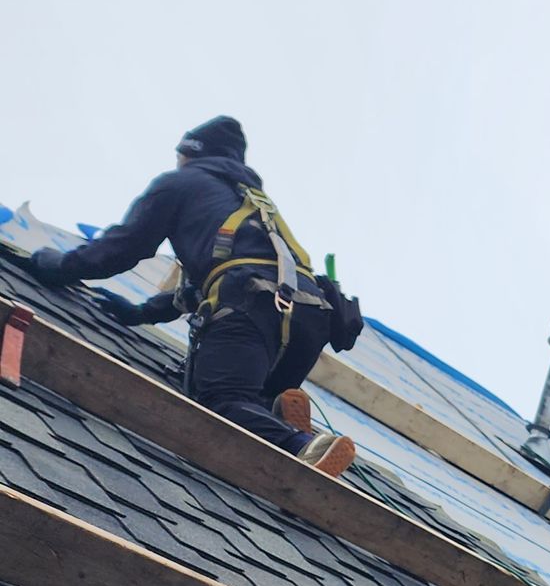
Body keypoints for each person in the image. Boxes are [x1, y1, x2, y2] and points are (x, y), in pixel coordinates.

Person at [25, 117, 356, 474]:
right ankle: (276, 412)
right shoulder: (255, 205)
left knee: (220, 400)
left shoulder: (181, 183)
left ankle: (301, 444)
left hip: (252, 308)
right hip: (307, 320)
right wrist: (142, 312)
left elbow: (122, 247)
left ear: (188, 153)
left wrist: (56, 265)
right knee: (248, 409)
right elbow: (207, 286)